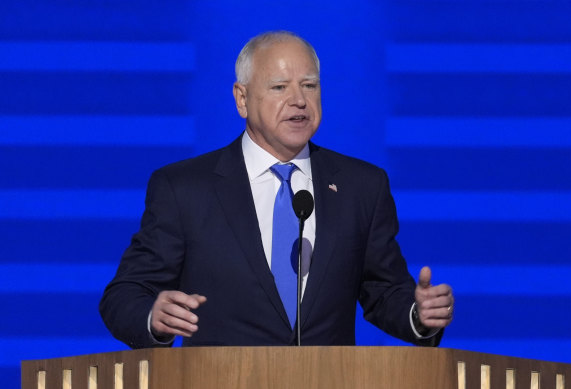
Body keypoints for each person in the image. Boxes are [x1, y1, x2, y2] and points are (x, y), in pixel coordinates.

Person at [99, 31, 454, 348]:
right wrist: (154, 319)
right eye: (280, 87)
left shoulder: (361, 185)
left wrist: (417, 314)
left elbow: (383, 290)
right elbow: (124, 295)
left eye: (310, 85)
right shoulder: (184, 188)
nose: (299, 100)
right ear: (242, 99)